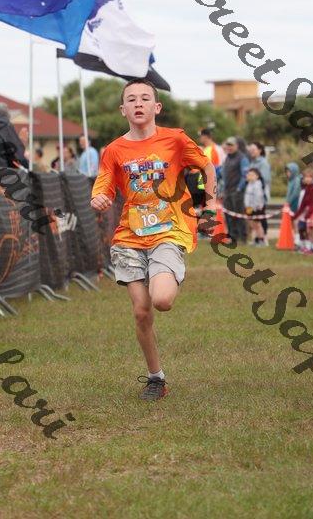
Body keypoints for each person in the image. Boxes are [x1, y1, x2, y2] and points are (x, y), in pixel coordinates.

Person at [90, 79, 216, 401]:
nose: (138, 103)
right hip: (129, 237)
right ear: (123, 110)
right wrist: (99, 199)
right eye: (131, 99)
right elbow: (103, 187)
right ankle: (155, 378)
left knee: (162, 300)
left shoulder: (175, 139)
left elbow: (207, 166)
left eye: (145, 98)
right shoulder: (113, 150)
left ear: (156, 107)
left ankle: (166, 271)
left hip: (168, 231)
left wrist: (210, 205)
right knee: (141, 312)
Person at [222, 137, 250, 243]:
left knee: (239, 215)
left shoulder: (242, 158)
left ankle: (243, 237)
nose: (229, 147)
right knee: (229, 215)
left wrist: (239, 188)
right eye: (228, 145)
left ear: (236, 146)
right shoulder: (227, 158)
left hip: (237, 191)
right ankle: (232, 236)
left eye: (231, 145)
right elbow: (223, 173)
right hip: (227, 191)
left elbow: (245, 175)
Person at [293, 168, 313, 254]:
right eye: (306, 177)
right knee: (309, 231)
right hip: (308, 212)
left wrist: (307, 216)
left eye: (310, 177)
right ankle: (311, 247)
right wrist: (296, 215)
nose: (307, 179)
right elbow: (303, 204)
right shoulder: (307, 189)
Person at [244, 168, 266, 246]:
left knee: (257, 224)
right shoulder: (249, 184)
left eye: (252, 175)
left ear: (257, 176)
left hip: (256, 208)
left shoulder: (257, 185)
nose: (249, 176)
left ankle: (262, 240)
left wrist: (256, 207)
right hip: (249, 208)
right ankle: (256, 239)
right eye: (249, 174)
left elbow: (258, 197)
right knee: (252, 224)